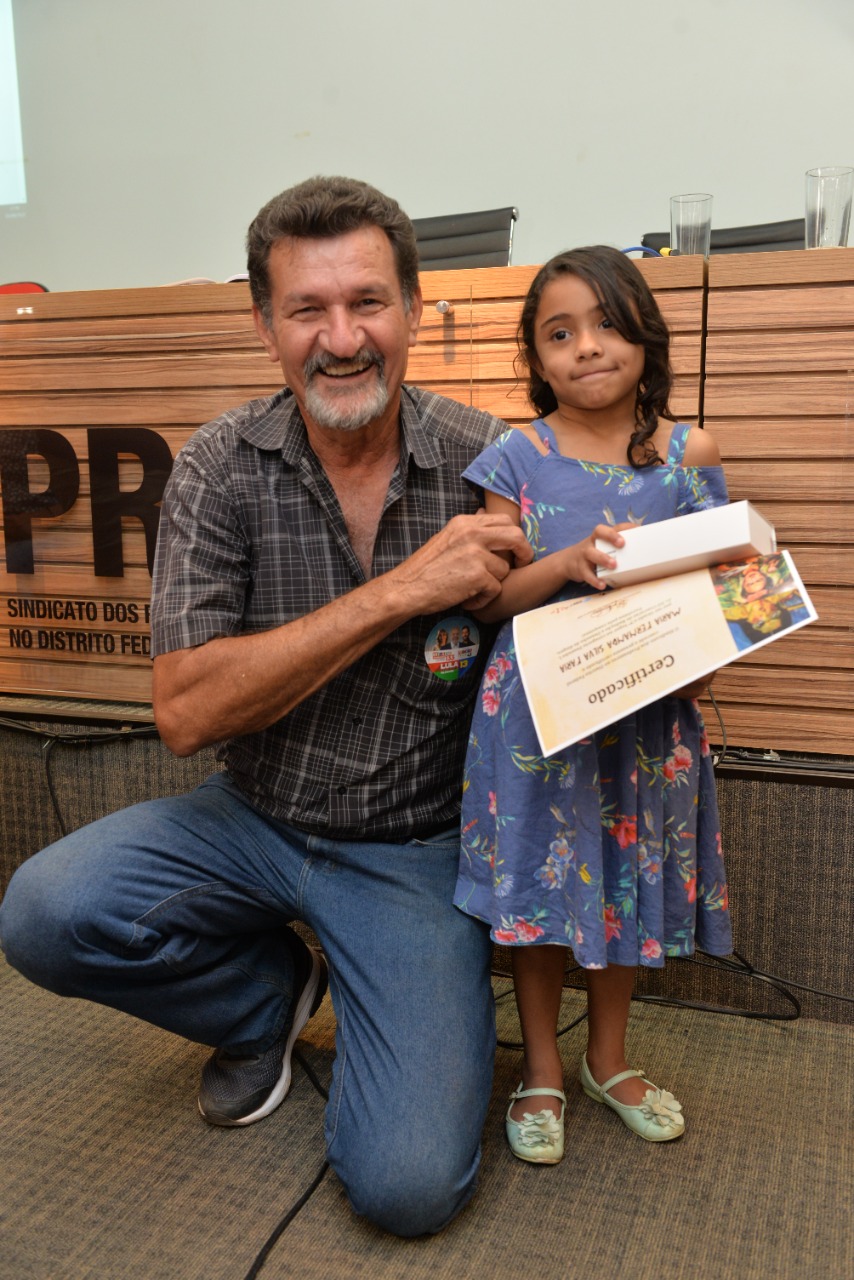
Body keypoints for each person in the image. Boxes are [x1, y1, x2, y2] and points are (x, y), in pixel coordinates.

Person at [0, 176, 532, 1235]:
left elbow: (571, 635)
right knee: (41, 911)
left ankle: (380, 1006)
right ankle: (263, 998)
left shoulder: (493, 463)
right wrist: (402, 590)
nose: (342, 338)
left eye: (368, 302)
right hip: (251, 816)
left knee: (407, 1186)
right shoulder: (217, 466)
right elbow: (185, 712)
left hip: (413, 848)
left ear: (412, 307)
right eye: (306, 310)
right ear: (263, 324)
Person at [454, 246, 733, 1165]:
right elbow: (488, 601)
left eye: (608, 324)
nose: (587, 347)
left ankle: (607, 1061)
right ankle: (541, 1068)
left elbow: (718, 589)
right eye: (560, 333)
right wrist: (567, 563)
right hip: (538, 718)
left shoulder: (691, 454)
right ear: (536, 359)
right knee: (540, 890)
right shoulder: (515, 457)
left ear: (646, 336)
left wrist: (707, 656)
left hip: (647, 721)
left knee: (621, 888)